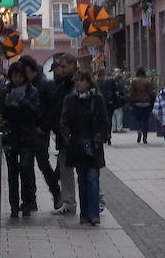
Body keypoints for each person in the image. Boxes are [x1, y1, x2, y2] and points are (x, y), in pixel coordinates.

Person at [59, 70, 109, 226]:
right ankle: (85, 214)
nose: (78, 83)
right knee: (82, 180)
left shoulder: (97, 100)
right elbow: (64, 122)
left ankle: (94, 214)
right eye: (77, 81)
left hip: (94, 145)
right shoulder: (70, 100)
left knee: (93, 179)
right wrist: (67, 138)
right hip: (77, 145)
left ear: (88, 82)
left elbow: (104, 121)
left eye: (81, 80)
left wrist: (100, 137)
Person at [0, 61, 40, 218]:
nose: (17, 79)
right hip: (10, 136)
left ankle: (27, 203)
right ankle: (14, 206)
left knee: (26, 168)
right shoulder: (5, 91)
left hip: (27, 136)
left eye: (20, 76)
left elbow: (35, 111)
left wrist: (22, 102)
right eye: (14, 76)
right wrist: (8, 104)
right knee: (12, 173)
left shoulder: (32, 91)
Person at [19, 55, 62, 210]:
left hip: (39, 132)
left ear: (30, 70)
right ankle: (30, 200)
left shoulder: (44, 84)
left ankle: (56, 192)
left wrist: (44, 127)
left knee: (43, 164)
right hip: (26, 131)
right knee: (26, 166)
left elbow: (51, 109)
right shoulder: (25, 84)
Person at [45, 53, 79, 216]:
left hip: (77, 134)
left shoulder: (77, 83)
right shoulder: (63, 84)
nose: (61, 69)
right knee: (66, 169)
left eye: (64, 66)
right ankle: (69, 203)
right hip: (64, 134)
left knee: (84, 169)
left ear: (73, 65)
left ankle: (97, 201)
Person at [96, 68, 125, 144]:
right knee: (109, 118)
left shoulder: (96, 82)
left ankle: (103, 134)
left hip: (100, 103)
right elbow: (116, 89)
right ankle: (108, 135)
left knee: (101, 119)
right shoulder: (110, 80)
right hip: (110, 102)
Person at [128, 67, 154, 144]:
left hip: (137, 102)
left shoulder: (134, 81)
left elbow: (132, 92)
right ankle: (145, 136)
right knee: (145, 120)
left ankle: (139, 130)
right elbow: (150, 92)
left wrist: (131, 102)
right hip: (146, 103)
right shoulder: (148, 81)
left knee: (137, 119)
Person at [111, 69, 128, 133]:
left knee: (113, 116)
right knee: (119, 115)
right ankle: (119, 128)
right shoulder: (119, 85)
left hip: (112, 102)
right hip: (118, 102)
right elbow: (121, 93)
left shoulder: (112, 83)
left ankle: (114, 128)